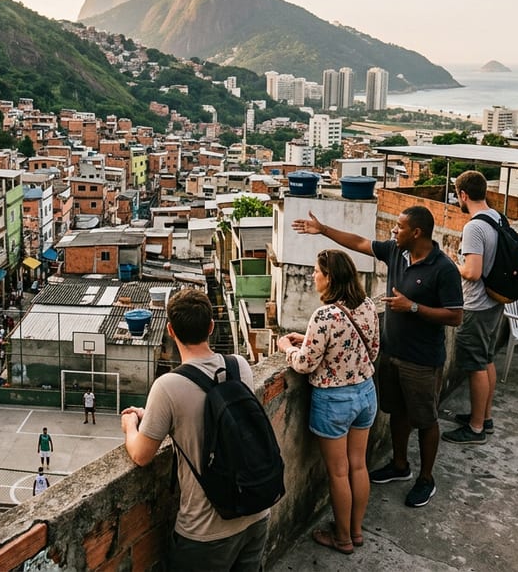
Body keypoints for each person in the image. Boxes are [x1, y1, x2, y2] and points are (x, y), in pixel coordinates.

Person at [294, 206, 463, 508]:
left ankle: (426, 478)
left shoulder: (443, 268)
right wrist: (323, 230)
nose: (394, 231)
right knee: (397, 411)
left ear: (417, 233)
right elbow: (359, 243)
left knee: (425, 419)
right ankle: (400, 464)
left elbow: (455, 316)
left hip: (422, 359)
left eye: (399, 227)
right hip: (391, 353)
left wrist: (413, 307)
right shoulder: (396, 252)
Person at [121, 289, 269, 570]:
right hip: (256, 512)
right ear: (211, 327)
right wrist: (152, 415)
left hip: (206, 530)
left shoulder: (167, 386)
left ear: (170, 330)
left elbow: (141, 455)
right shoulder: (239, 366)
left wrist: (131, 424)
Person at [279, 249, 380, 553]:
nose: (313, 276)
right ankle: (356, 531)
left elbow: (305, 365)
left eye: (317, 272)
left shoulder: (324, 316)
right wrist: (309, 339)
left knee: (338, 472)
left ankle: (343, 539)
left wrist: (287, 347)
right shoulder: (367, 306)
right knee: (358, 466)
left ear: (330, 277)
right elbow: (372, 350)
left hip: (334, 401)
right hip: (365, 393)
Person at [443, 170, 507, 445]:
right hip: (493, 303)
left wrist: (450, 264)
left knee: (475, 366)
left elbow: (472, 272)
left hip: (477, 305)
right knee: (486, 359)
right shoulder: (496, 217)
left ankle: (476, 428)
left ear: (463, 195)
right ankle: (484, 417)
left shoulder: (474, 227)